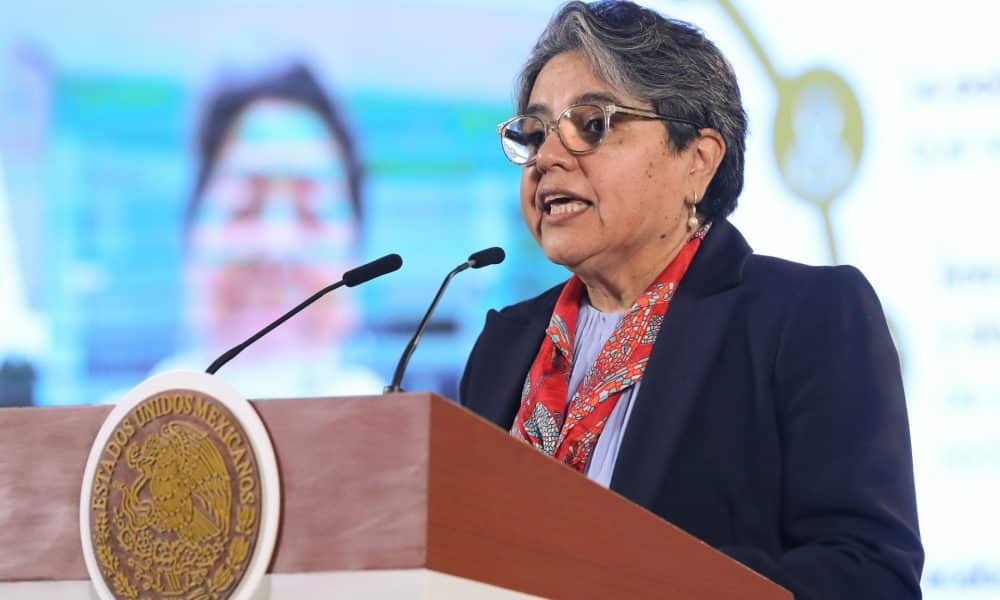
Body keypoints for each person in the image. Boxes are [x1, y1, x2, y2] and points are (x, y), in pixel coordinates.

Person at [459, 2, 922, 598]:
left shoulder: (806, 317)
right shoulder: (507, 343)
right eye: (535, 132)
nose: (547, 158)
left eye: (592, 124)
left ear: (698, 161)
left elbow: (871, 574)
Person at [157, 62, 382, 397]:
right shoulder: (112, 426)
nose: (278, 246)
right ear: (190, 238)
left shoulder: (415, 427)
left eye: (310, 214)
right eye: (244, 208)